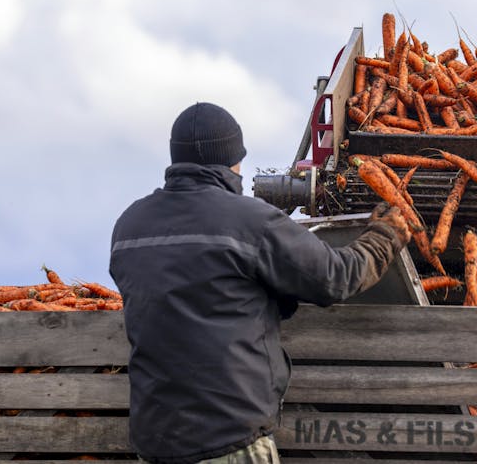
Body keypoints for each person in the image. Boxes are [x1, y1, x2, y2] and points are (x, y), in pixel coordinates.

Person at [109, 102, 411, 464]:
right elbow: (335, 277)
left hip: (154, 444)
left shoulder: (129, 226)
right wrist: (384, 236)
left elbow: (197, 288)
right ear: (231, 161)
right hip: (230, 440)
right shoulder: (250, 222)